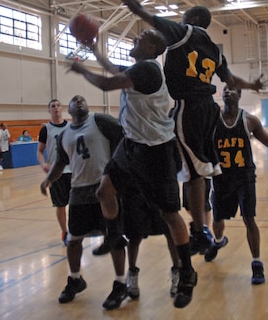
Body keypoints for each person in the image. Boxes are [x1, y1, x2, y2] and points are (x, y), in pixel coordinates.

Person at [95, 0, 264, 255]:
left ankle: (198, 230)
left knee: (192, 170)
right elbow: (230, 80)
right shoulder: (215, 50)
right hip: (207, 110)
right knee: (194, 170)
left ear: (194, 20)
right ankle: (198, 227)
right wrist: (253, 84)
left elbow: (138, 9)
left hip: (188, 106)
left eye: (185, 14)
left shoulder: (183, 32)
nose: (180, 17)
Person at [69, 28, 197, 309]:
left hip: (156, 151)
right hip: (131, 145)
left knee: (169, 214)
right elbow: (111, 67)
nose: (136, 37)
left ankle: (187, 271)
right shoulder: (139, 68)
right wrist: (92, 48)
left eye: (142, 37)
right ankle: (114, 237)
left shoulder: (149, 71)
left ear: (152, 47)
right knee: (105, 192)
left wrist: (80, 69)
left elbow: (105, 83)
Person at [205, 86, 268, 284]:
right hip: (221, 178)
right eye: (225, 89)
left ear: (239, 96)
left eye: (232, 90)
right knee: (217, 221)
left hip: (245, 177)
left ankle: (257, 263)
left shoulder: (249, 120)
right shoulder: (212, 119)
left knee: (249, 219)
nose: (227, 92)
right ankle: (218, 242)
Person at [40, 95, 125, 306]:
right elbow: (60, 162)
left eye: (82, 99)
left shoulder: (100, 120)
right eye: (74, 100)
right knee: (73, 240)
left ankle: (120, 283)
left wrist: (118, 169)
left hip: (104, 189)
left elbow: (124, 136)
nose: (79, 100)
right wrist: (47, 180)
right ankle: (75, 279)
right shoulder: (64, 134)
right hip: (78, 191)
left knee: (114, 237)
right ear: (69, 110)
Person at [37, 99, 72, 245]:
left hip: (72, 171)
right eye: (53, 106)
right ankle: (65, 232)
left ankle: (77, 231)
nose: (56, 108)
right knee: (60, 204)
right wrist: (43, 164)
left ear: (62, 108)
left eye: (58, 105)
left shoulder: (71, 126)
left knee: (76, 204)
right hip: (56, 172)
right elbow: (39, 150)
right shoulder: (46, 129)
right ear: (49, 110)